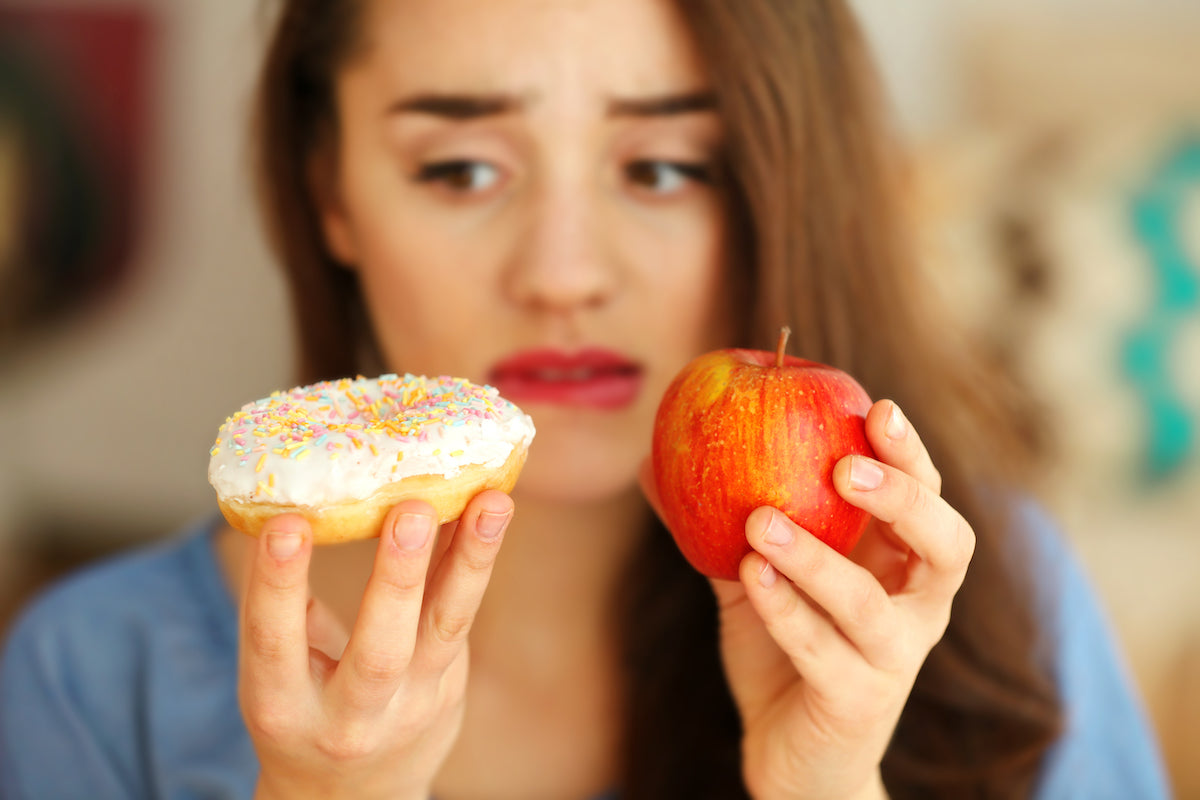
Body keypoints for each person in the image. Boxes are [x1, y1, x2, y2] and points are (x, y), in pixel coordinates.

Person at [0, 1, 1171, 798]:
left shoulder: (990, 612)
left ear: (773, 185)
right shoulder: (97, 678)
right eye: (461, 169)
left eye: (662, 168)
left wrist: (828, 779)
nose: (563, 269)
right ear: (330, 193)